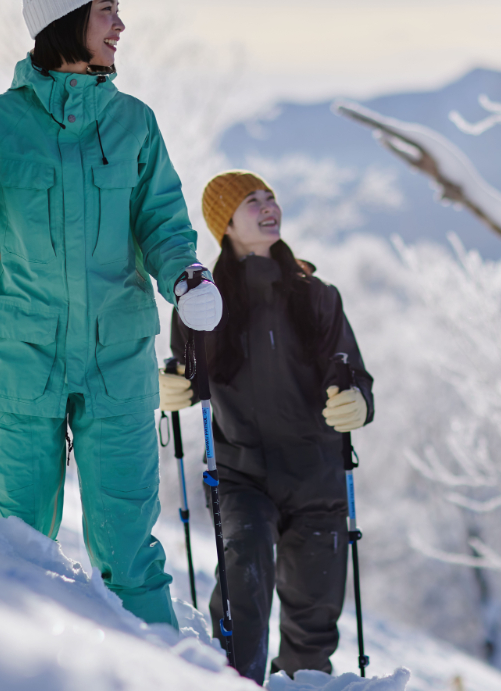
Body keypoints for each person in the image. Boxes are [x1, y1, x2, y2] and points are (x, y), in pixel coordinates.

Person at [0, 0, 222, 629]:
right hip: (20, 363)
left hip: (117, 361)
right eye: (107, 10)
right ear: (67, 19)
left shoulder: (134, 123)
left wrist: (186, 275)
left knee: (129, 555)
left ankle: (161, 674)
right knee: (19, 547)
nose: (121, 26)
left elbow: (163, 221)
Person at [161, 171, 374, 681]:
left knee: (313, 623)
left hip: (317, 477)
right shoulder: (203, 303)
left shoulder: (318, 296)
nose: (268, 206)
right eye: (252, 202)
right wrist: (170, 385)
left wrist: (358, 402)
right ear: (226, 225)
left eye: (270, 197)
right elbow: (186, 373)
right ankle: (235, 682)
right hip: (242, 476)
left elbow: (352, 372)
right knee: (243, 581)